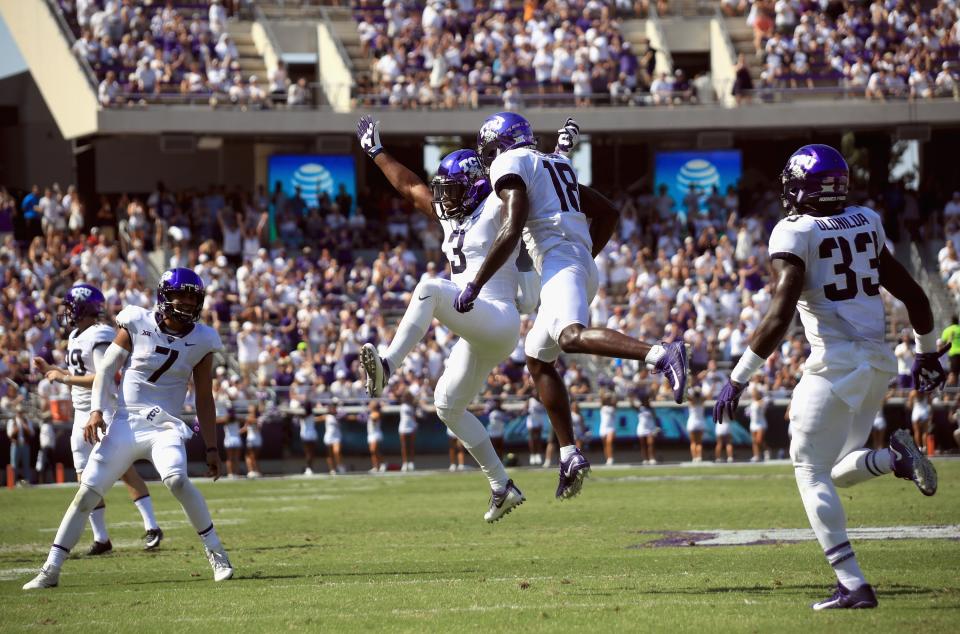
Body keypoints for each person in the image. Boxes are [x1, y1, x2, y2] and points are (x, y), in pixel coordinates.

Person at [714, 144, 943, 610]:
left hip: (835, 363)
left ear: (801, 186)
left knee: (807, 467)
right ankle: (894, 460)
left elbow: (778, 318)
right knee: (837, 468)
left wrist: (738, 378)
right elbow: (916, 297)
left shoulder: (794, 231)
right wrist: (928, 354)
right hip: (877, 364)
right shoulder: (867, 220)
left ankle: (853, 584)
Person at [457, 112, 688, 500]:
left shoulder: (512, 163)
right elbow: (608, 211)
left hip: (561, 261)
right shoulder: (554, 163)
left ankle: (661, 353)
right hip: (573, 261)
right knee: (537, 356)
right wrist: (583, 257)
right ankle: (569, 455)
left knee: (570, 336)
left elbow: (512, 227)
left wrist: (476, 283)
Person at [355, 115, 527, 522]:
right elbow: (409, 185)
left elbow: (528, 183)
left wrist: (559, 155)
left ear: (475, 185)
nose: (444, 197)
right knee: (447, 405)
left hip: (499, 316)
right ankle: (502, 486)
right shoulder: (455, 215)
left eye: (451, 189)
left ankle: (387, 365)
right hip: (478, 328)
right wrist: (377, 152)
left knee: (430, 288)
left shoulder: (498, 205)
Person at [24, 269, 234, 589]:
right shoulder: (137, 321)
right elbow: (107, 368)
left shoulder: (203, 338)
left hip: (164, 426)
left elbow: (205, 397)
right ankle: (51, 568)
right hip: (125, 422)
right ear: (165, 295)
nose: (190, 303)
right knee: (87, 493)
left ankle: (217, 553)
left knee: (177, 479)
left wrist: (212, 447)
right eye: (183, 295)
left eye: (194, 297)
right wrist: (96, 410)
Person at [32, 284, 163, 554]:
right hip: (80, 413)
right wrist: (52, 370)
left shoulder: (99, 333)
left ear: (83, 307)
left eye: (70, 307)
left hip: (103, 410)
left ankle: (152, 526)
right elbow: (77, 375)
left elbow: (103, 374)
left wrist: (64, 377)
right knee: (84, 478)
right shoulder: (74, 336)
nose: (66, 312)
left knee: (124, 470)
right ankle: (101, 538)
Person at [216, 380, 242, 478]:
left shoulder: (235, 418)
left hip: (235, 438)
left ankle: (236, 473)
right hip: (229, 438)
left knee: (236, 457)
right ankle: (231, 473)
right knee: (230, 457)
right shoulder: (226, 419)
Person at [7, 407, 33, 484]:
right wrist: (17, 428)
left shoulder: (27, 421)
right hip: (15, 445)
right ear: (16, 412)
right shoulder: (12, 421)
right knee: (14, 465)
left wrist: (24, 425)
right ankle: (13, 482)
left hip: (25, 445)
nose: (20, 414)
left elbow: (32, 433)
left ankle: (27, 482)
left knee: (26, 465)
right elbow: (9, 434)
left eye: (21, 412)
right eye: (19, 412)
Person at [747, 374, 769, 462]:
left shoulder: (762, 401)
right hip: (753, 423)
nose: (753, 394)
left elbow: (764, 403)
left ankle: (767, 450)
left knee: (759, 440)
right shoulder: (752, 402)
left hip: (761, 423)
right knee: (754, 442)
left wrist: (756, 383)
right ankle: (756, 456)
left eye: (755, 393)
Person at [635, 392, 658, 465]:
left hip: (650, 428)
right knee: (643, 445)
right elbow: (631, 403)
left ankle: (652, 458)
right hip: (641, 429)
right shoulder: (639, 408)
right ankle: (645, 459)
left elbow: (655, 418)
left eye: (647, 399)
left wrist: (656, 427)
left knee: (651, 443)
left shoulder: (651, 409)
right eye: (644, 399)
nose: (646, 401)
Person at [907, 388, 933, 454]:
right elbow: (930, 403)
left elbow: (909, 405)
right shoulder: (927, 392)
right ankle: (925, 447)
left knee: (916, 431)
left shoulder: (913, 392)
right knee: (925, 431)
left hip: (916, 412)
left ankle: (919, 448)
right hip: (924, 412)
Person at [322, 399, 344, 475]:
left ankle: (339, 466)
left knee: (337, 452)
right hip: (328, 437)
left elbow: (347, 417)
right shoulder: (326, 416)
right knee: (330, 454)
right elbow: (317, 419)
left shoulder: (339, 415)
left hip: (337, 436)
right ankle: (332, 469)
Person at [398, 391, 418, 472]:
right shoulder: (402, 406)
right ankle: (405, 463)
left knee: (411, 446)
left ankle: (411, 463)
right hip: (403, 427)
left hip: (411, 426)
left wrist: (415, 425)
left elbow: (414, 416)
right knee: (404, 446)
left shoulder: (413, 406)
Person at [938, 315, 960, 386]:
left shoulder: (947, 330)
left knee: (953, 374)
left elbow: (942, 344)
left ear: (951, 322)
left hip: (953, 354)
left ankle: (948, 391)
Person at [525, 394, 547, 465]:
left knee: (538, 438)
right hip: (531, 420)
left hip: (539, 419)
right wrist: (526, 410)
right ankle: (532, 454)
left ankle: (538, 454)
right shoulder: (530, 400)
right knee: (531, 438)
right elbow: (525, 408)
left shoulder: (542, 399)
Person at [686, 388, 706, 463]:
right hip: (700, 422)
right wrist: (699, 392)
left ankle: (694, 458)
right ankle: (699, 457)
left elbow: (687, 396)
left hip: (692, 423)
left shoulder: (691, 402)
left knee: (693, 442)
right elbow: (705, 396)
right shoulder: (702, 401)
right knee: (699, 442)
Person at [598, 390, 617, 465]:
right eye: (607, 398)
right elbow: (601, 396)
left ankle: (611, 458)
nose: (608, 399)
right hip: (603, 428)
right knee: (605, 445)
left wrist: (613, 391)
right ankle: (608, 459)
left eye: (609, 398)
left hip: (611, 428)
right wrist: (603, 387)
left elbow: (615, 400)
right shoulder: (602, 407)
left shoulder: (614, 407)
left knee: (609, 442)